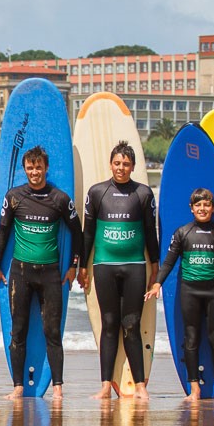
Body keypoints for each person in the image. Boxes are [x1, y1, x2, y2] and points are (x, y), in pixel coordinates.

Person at [0, 145, 83, 402]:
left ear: (46, 168)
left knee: (52, 332)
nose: (34, 171)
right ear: (25, 169)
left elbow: (78, 232)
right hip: (21, 273)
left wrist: (74, 265)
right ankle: (18, 386)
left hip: (50, 274)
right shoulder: (14, 197)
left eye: (38, 167)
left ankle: (58, 387)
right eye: (30, 167)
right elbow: (3, 232)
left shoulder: (60, 199)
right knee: (18, 331)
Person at [145, 188, 214, 402]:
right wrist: (157, 283)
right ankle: (195, 389)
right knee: (190, 339)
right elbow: (169, 261)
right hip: (190, 291)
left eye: (206, 205)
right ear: (191, 208)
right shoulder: (183, 233)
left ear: (213, 208)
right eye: (198, 205)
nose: (202, 209)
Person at [79, 140, 159, 402]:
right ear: (110, 164)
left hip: (135, 266)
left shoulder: (143, 193)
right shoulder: (98, 192)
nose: (121, 167)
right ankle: (105, 386)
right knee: (110, 324)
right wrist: (82, 266)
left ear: (133, 166)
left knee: (132, 325)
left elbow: (150, 232)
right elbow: (88, 232)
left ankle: (140, 386)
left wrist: (155, 266)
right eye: (117, 163)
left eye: (126, 163)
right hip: (104, 266)